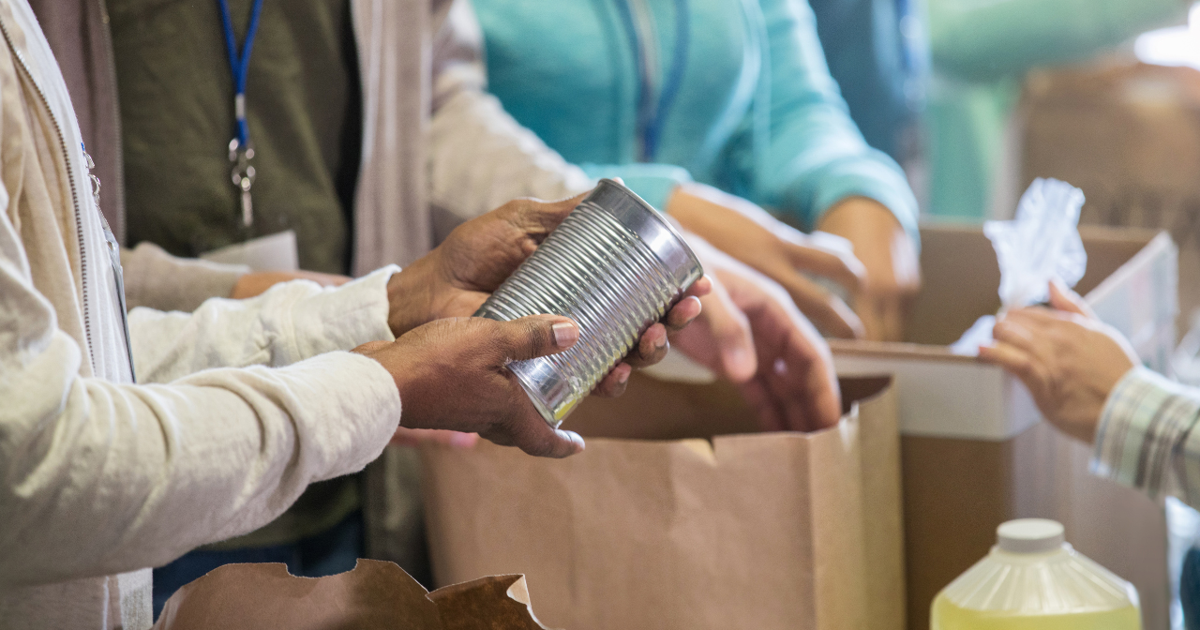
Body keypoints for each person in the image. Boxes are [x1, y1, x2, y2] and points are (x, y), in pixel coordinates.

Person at [33, 0, 848, 609]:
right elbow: (49, 285)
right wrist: (371, 354)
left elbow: (432, 106)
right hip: (133, 502)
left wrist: (595, 250)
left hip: (356, 482)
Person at [471, 0, 923, 341]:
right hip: (506, 327)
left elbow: (790, 107)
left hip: (711, 328)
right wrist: (652, 215)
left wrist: (855, 185)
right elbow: (435, 146)